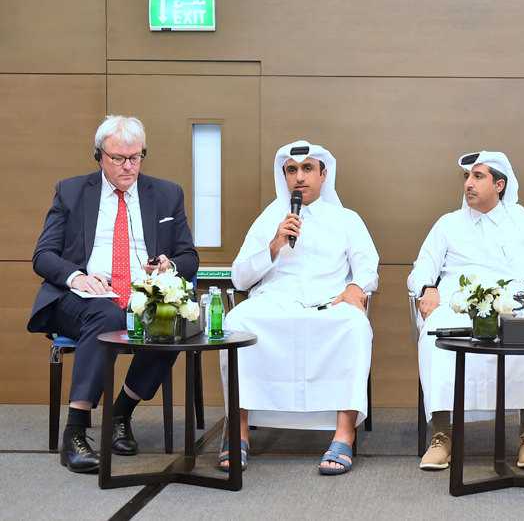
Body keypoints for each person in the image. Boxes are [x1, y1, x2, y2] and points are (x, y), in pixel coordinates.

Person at [29, 115, 199, 473]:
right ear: (99, 156)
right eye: (118, 158)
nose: (128, 167)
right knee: (105, 315)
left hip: (141, 295)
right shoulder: (72, 191)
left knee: (173, 320)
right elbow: (43, 255)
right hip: (83, 298)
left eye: (135, 158)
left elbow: (190, 258)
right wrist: (77, 277)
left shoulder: (167, 194)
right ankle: (74, 432)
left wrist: (168, 266)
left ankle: (120, 414)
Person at [218, 140, 379, 475]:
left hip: (329, 303)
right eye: (292, 170)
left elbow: (368, 267)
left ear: (323, 174)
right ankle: (239, 432)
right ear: (285, 177)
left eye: (307, 168)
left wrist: (354, 287)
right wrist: (275, 245)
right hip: (276, 302)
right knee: (237, 320)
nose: (300, 177)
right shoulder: (271, 218)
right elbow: (239, 277)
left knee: (354, 325)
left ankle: (344, 433)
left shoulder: (346, 219)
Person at [408, 151, 524, 471]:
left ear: (500, 185)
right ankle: (442, 435)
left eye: (478, 177)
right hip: (456, 306)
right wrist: (427, 288)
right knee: (434, 336)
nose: (469, 184)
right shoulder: (448, 223)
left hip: (510, 305)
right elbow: (421, 269)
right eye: (466, 177)